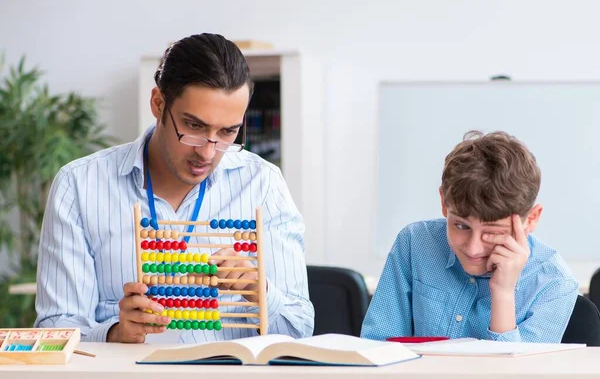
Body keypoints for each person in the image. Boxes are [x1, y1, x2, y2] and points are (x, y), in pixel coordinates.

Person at [35, 33, 314, 343]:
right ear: (158, 103)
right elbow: (55, 329)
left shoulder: (263, 184)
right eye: (194, 127)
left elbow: (298, 329)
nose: (207, 153)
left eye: (228, 132)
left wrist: (260, 292)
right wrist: (113, 334)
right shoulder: (79, 186)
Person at [361, 131, 578, 343]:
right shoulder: (415, 243)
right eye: (461, 226)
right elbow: (376, 348)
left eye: (493, 233)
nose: (473, 248)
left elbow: (517, 375)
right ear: (444, 203)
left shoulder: (554, 284)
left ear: (530, 219)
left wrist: (503, 293)